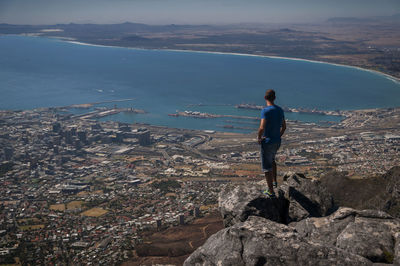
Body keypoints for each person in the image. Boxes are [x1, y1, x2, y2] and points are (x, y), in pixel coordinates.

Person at [258, 89, 286, 197]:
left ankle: (270, 191)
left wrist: (259, 138)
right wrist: (278, 136)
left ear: (265, 98)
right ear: (274, 98)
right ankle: (274, 182)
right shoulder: (280, 110)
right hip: (277, 141)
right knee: (272, 160)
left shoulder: (265, 111)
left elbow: (261, 127)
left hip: (268, 141)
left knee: (266, 167)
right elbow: (284, 127)